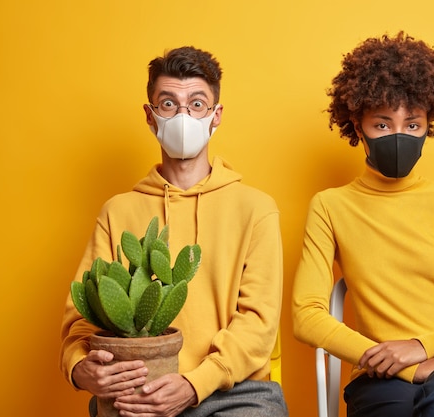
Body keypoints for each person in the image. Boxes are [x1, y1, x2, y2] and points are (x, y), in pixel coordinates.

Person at [292, 32, 434, 417]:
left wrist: (423, 347)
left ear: (428, 126)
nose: (398, 136)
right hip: (382, 379)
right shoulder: (331, 206)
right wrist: (408, 364)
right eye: (382, 124)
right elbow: (306, 314)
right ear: (358, 126)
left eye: (412, 125)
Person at [60, 46, 288, 417]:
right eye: (169, 104)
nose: (183, 115)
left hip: (238, 392)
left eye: (197, 104)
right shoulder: (117, 211)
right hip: (137, 392)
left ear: (216, 116)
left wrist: (194, 384)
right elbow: (82, 317)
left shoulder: (256, 208)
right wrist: (78, 367)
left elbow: (258, 324)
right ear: (150, 117)